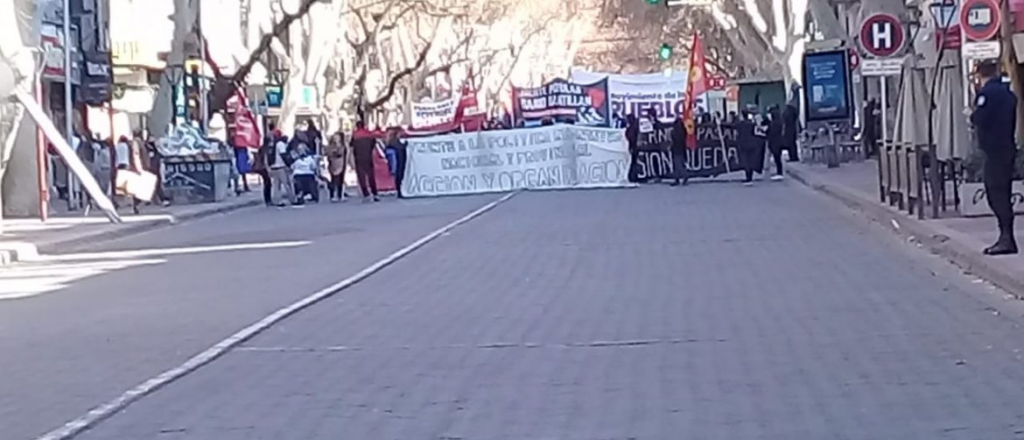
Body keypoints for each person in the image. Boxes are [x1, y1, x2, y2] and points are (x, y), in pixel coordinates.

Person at [970, 60, 1018, 255]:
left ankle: (1006, 238)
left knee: (996, 194)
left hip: (994, 150)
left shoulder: (987, 94)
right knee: (1003, 193)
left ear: (980, 76)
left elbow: (979, 119)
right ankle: (1007, 237)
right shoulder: (1008, 94)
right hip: (1007, 146)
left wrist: (973, 109)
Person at [350, 120, 379, 202]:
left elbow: (351, 146)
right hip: (368, 157)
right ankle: (375, 193)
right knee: (371, 176)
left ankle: (366, 194)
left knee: (361, 177)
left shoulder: (355, 135)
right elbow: (374, 144)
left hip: (359, 158)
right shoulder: (369, 134)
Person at [736, 108, 767, 186]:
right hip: (752, 144)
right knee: (750, 161)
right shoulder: (751, 124)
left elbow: (731, 126)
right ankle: (749, 178)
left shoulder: (740, 124)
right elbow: (759, 131)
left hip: (744, 145)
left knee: (746, 161)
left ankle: (748, 179)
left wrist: (720, 123)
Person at [269, 134, 296, 207]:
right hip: (281, 166)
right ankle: (292, 200)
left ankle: (277, 201)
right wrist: (289, 164)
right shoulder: (280, 144)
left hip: (273, 167)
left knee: (276, 186)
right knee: (287, 184)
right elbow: (283, 155)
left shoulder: (273, 145)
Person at [384, 128, 408, 198]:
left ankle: (399, 191)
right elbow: (401, 147)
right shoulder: (395, 142)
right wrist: (406, 144)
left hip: (396, 162)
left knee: (397, 177)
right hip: (399, 162)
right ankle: (399, 192)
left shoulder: (390, 142)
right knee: (399, 176)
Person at [325, 132, 348, 202]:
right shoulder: (331, 146)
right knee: (334, 179)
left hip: (341, 163)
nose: (336, 139)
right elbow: (328, 153)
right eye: (335, 138)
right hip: (333, 164)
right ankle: (332, 195)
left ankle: (340, 195)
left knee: (341, 180)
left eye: (338, 138)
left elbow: (342, 153)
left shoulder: (343, 146)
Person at [766, 106, 785, 181]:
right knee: (777, 158)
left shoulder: (775, 123)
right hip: (777, 142)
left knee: (777, 158)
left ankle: (779, 173)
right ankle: (779, 172)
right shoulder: (778, 122)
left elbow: (771, 132)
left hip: (775, 142)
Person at [783, 85, 801, 162]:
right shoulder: (792, 108)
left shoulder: (791, 110)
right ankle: (793, 156)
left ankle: (793, 157)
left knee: (791, 143)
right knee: (792, 143)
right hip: (791, 127)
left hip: (790, 128)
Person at [253, 135, 273, 206]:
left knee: (267, 183)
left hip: (261, 168)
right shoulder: (266, 149)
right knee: (268, 183)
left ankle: (267, 200)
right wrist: (268, 169)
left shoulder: (262, 148)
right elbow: (265, 160)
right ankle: (268, 200)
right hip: (263, 168)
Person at [669, 116, 688, 186]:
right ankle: (681, 177)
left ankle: (680, 177)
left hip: (676, 149)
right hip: (682, 148)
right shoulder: (683, 131)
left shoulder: (674, 132)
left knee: (677, 165)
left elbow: (672, 140)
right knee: (680, 164)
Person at [625, 114, 640, 183]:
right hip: (635, 146)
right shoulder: (636, 126)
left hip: (634, 147)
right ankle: (634, 176)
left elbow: (631, 137)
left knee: (633, 162)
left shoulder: (632, 128)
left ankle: (633, 176)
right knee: (634, 162)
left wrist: (631, 146)